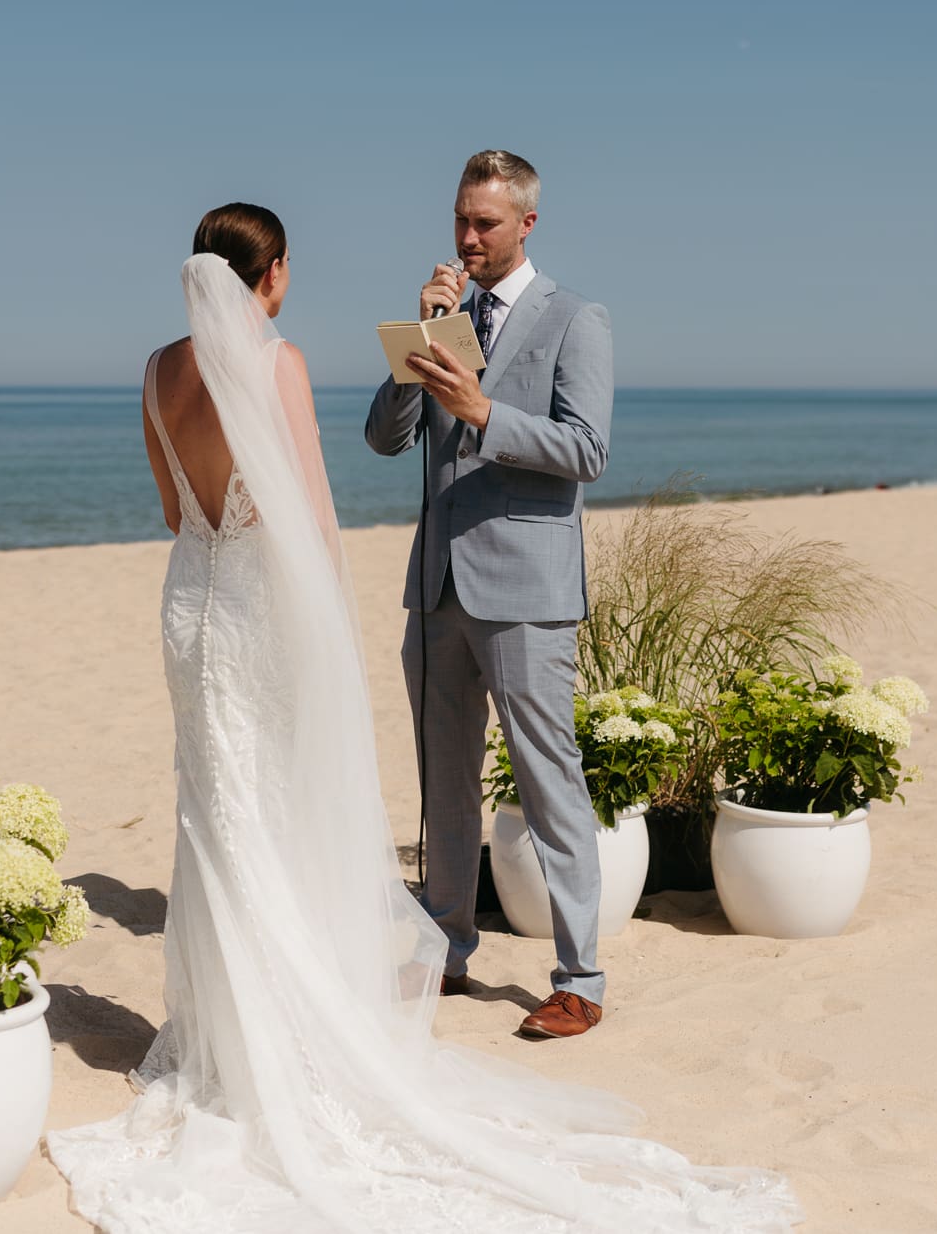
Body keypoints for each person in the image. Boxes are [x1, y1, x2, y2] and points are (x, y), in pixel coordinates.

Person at [43, 203, 795, 1234]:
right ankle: (291, 1032)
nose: (467, 232)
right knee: (267, 808)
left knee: (215, 814)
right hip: (264, 602)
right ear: (273, 276)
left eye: (481, 219)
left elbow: (177, 513)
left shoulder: (152, 369)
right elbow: (311, 514)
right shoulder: (276, 362)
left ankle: (229, 1034)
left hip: (192, 605)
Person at [364, 150, 614, 1039]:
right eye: (461, 220)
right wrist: (420, 336)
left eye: (486, 223)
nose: (468, 237)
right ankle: (446, 949)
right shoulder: (447, 313)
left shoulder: (576, 319)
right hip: (436, 584)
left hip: (526, 590)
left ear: (527, 225)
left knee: (552, 783)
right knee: (443, 780)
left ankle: (580, 975)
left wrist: (483, 414)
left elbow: (587, 451)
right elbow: (385, 438)